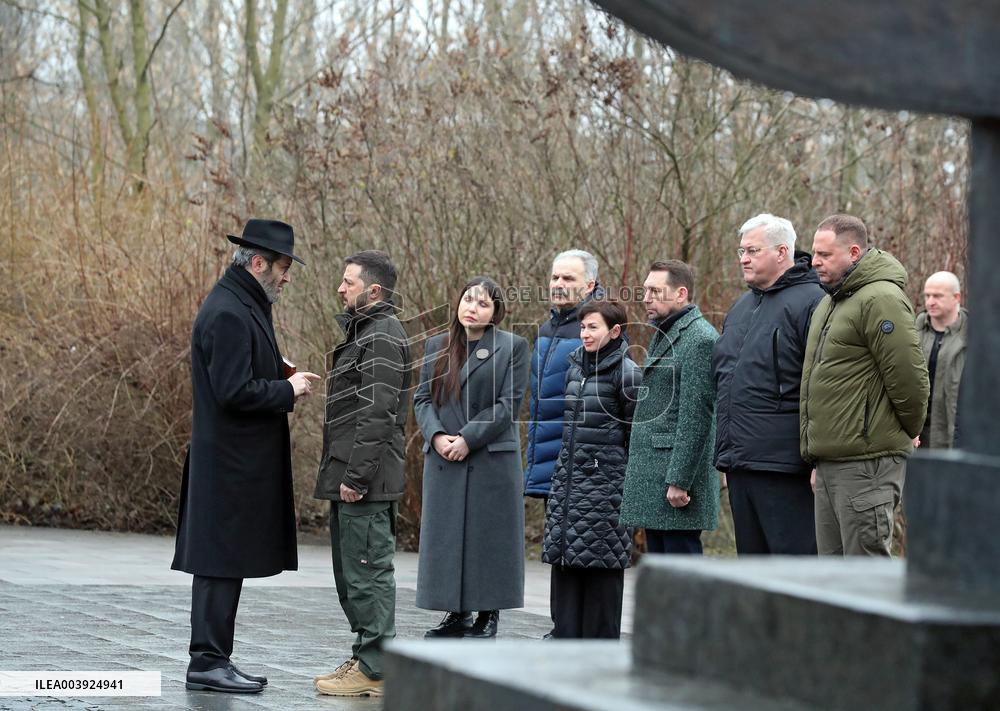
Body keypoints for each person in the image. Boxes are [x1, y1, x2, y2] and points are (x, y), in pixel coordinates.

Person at [172, 219, 320, 694]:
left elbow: (235, 372)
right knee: (218, 563)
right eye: (282, 266)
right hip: (229, 465)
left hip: (234, 462)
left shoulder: (240, 302)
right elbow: (233, 391)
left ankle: (215, 659)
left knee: (224, 561)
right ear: (258, 263)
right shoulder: (230, 312)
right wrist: (287, 388)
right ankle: (207, 662)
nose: (287, 276)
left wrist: (276, 369)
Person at [313, 251, 411, 697]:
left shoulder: (383, 336)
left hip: (365, 482)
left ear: (373, 290)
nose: (340, 288)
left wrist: (355, 477)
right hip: (351, 476)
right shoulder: (365, 333)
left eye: (348, 282)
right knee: (352, 572)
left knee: (368, 571)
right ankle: (368, 656)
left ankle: (375, 666)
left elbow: (378, 413)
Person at [801, 214, 929, 557]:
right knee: (834, 580)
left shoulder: (881, 299)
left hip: (868, 464)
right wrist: (819, 457)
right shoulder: (830, 302)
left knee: (866, 573)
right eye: (815, 253)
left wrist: (906, 431)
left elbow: (910, 378)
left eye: (824, 255)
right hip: (831, 464)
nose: (815, 262)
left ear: (853, 252)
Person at [413, 277, 530, 639]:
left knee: (489, 537)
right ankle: (456, 611)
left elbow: (508, 404)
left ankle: (488, 612)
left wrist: (467, 438)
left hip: (489, 458)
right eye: (467, 300)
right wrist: (436, 436)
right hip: (444, 456)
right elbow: (421, 399)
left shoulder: (513, 347)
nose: (472, 308)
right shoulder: (437, 345)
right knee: (448, 536)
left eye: (482, 303)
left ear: (496, 311)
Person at [713, 214, 824, 555]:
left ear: (781, 252)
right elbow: (724, 379)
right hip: (741, 463)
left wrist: (819, 460)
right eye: (740, 251)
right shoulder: (742, 306)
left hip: (786, 467)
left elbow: (822, 386)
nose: (743, 258)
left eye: (752, 250)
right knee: (754, 573)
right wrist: (727, 455)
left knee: (793, 572)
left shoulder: (814, 301)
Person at [542, 300, 641, 639]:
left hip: (605, 495)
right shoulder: (575, 369)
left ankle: (600, 659)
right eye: (582, 327)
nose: (584, 333)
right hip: (568, 492)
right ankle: (564, 645)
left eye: (593, 327)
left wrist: (613, 481)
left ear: (615, 331)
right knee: (566, 570)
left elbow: (635, 437)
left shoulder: (628, 374)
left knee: (601, 577)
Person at [621, 260, 720, 554]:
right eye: (645, 290)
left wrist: (679, 480)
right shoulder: (668, 333)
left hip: (675, 482)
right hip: (657, 476)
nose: (646, 297)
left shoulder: (699, 339)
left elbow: (697, 415)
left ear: (680, 294)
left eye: (655, 290)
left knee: (683, 577)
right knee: (666, 578)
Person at [524, 249, 602, 499]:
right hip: (550, 465)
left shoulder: (600, 329)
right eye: (555, 277)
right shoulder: (546, 330)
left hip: (585, 470)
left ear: (589, 285)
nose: (559, 284)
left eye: (568, 279)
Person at [916, 271, 967, 449]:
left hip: (954, 440)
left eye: (937, 296)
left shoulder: (973, 338)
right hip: (916, 440)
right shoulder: (913, 333)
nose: (930, 301)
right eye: (927, 295)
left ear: (956, 297)